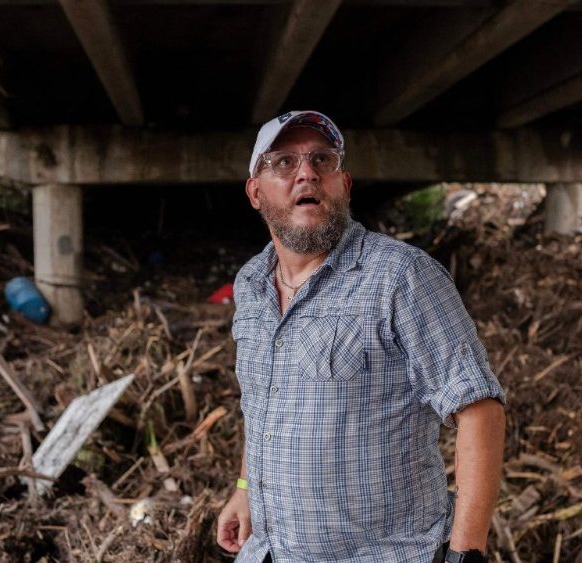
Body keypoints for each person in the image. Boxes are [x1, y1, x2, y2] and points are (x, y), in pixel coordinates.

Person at [216, 111, 506, 563]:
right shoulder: (251, 283)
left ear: (344, 185)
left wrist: (465, 554)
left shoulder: (401, 276)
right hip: (270, 550)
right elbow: (261, 402)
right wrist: (245, 489)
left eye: (322, 160)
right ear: (255, 192)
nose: (307, 173)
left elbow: (479, 410)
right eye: (284, 162)